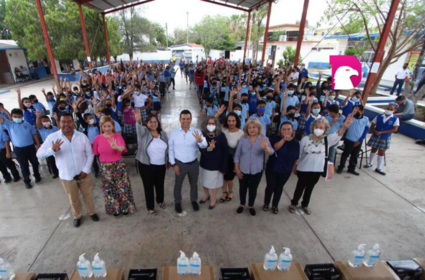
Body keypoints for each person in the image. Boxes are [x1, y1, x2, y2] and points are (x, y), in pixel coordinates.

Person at [36, 113, 99, 228]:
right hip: (67, 175)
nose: (66, 124)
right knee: (73, 199)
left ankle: (92, 212)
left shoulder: (81, 136)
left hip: (84, 174)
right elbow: (39, 154)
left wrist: (86, 170)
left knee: (88, 196)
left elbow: (90, 154)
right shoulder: (52, 138)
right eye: (63, 121)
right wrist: (52, 149)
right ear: (59, 123)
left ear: (73, 122)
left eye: (69, 121)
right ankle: (77, 216)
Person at [289, 114, 354, 215]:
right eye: (317, 127)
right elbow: (299, 154)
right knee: (300, 187)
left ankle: (305, 204)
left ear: (325, 129)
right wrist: (295, 165)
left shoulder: (327, 140)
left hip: (317, 169)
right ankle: (294, 203)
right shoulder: (305, 139)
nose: (318, 129)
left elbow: (338, 134)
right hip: (304, 168)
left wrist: (345, 126)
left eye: (321, 128)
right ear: (313, 127)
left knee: (310, 188)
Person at [93, 116, 136, 217]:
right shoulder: (97, 139)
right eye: (104, 126)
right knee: (110, 188)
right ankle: (115, 208)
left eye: (109, 126)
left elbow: (122, 148)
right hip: (105, 167)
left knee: (122, 187)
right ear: (101, 127)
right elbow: (95, 152)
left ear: (113, 126)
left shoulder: (117, 137)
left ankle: (125, 207)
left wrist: (116, 147)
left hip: (118, 165)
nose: (107, 129)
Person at [168, 110, 208, 214]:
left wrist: (200, 140)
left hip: (193, 163)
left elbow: (204, 145)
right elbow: (171, 149)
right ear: (180, 120)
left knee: (194, 184)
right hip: (179, 164)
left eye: (188, 119)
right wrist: (173, 164)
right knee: (178, 184)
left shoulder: (196, 132)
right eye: (183, 119)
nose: (186, 121)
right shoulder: (174, 133)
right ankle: (177, 202)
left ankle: (193, 200)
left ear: (191, 120)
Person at [234, 118, 274, 216]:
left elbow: (271, 152)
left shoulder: (264, 139)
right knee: (242, 188)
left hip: (257, 170)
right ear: (247, 129)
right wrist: (237, 169)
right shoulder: (243, 139)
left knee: (253, 189)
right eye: (249, 128)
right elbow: (237, 156)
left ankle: (251, 205)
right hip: (243, 170)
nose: (252, 129)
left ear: (259, 128)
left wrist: (266, 148)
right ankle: (242, 204)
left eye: (254, 127)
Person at [135, 110, 168, 215]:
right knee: (148, 186)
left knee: (160, 184)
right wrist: (138, 120)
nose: (153, 124)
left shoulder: (163, 134)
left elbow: (168, 148)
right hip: (146, 166)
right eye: (150, 122)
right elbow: (139, 129)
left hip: (161, 165)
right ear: (146, 123)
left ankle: (160, 200)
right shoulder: (144, 133)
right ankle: (150, 207)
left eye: (155, 121)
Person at [263, 122, 299, 214]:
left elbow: (296, 157)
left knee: (279, 188)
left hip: (286, 170)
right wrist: (283, 140)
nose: (286, 131)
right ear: (280, 130)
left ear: (292, 130)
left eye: (288, 129)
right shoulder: (275, 138)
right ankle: (266, 203)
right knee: (270, 187)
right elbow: (275, 148)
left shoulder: (296, 142)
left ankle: (275, 205)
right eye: (284, 129)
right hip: (272, 168)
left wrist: (294, 166)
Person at [0, 109, 41, 189]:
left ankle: (37, 175)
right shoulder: (9, 124)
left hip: (31, 148)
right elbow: (1, 119)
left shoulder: (27, 124)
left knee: (35, 163)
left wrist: (38, 145)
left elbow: (34, 134)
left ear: (22, 117)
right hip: (19, 150)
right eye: (15, 116)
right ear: (11, 117)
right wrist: (3, 110)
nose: (17, 118)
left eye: (19, 116)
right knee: (24, 166)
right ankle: (27, 181)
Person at [198, 116, 228, 210]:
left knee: (214, 183)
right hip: (205, 163)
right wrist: (210, 148)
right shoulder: (202, 135)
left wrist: (224, 165)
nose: (211, 125)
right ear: (205, 125)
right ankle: (206, 195)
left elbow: (225, 151)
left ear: (216, 125)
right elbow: (201, 150)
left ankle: (214, 198)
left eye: (213, 124)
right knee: (204, 181)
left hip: (216, 165)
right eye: (209, 123)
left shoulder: (221, 135)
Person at [364, 103, 399, 175]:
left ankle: (379, 167)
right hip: (376, 135)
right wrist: (375, 131)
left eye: (391, 109)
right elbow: (372, 126)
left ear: (394, 110)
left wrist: (383, 132)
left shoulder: (395, 118)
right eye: (388, 108)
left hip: (385, 137)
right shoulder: (379, 116)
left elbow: (395, 129)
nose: (389, 110)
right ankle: (370, 163)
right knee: (373, 149)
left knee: (381, 151)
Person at [337, 106, 369, 176]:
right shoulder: (350, 118)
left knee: (355, 155)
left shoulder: (365, 119)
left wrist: (360, 140)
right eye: (355, 110)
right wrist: (352, 116)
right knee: (345, 154)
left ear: (362, 111)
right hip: (349, 139)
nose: (357, 112)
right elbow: (344, 125)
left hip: (358, 141)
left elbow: (366, 130)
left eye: (359, 110)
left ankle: (351, 168)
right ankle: (341, 167)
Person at [221, 112, 244, 203]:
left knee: (229, 178)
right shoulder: (223, 130)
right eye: (229, 121)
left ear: (236, 121)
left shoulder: (241, 134)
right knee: (223, 177)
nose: (231, 123)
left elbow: (241, 150)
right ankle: (223, 192)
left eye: (233, 121)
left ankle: (230, 192)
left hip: (232, 159)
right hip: (223, 158)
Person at [35, 111, 59, 178]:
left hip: (56, 146)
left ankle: (59, 170)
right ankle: (54, 172)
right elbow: (38, 125)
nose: (46, 122)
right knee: (50, 161)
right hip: (48, 148)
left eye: (47, 120)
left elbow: (59, 129)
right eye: (44, 121)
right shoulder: (41, 129)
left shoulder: (54, 128)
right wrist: (38, 117)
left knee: (57, 159)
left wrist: (56, 119)